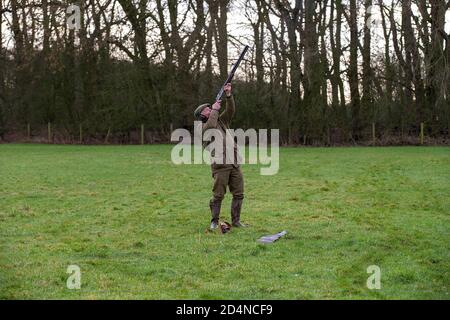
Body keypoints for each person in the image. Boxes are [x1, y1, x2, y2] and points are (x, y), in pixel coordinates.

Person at [193, 83, 245, 230]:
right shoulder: (202, 129)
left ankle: (236, 221)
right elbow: (210, 127)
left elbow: (231, 110)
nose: (211, 109)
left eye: (211, 107)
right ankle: (214, 221)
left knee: (239, 193)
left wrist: (229, 95)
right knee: (218, 195)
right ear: (202, 115)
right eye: (207, 109)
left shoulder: (221, 121)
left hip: (234, 162)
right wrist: (215, 109)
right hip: (220, 166)